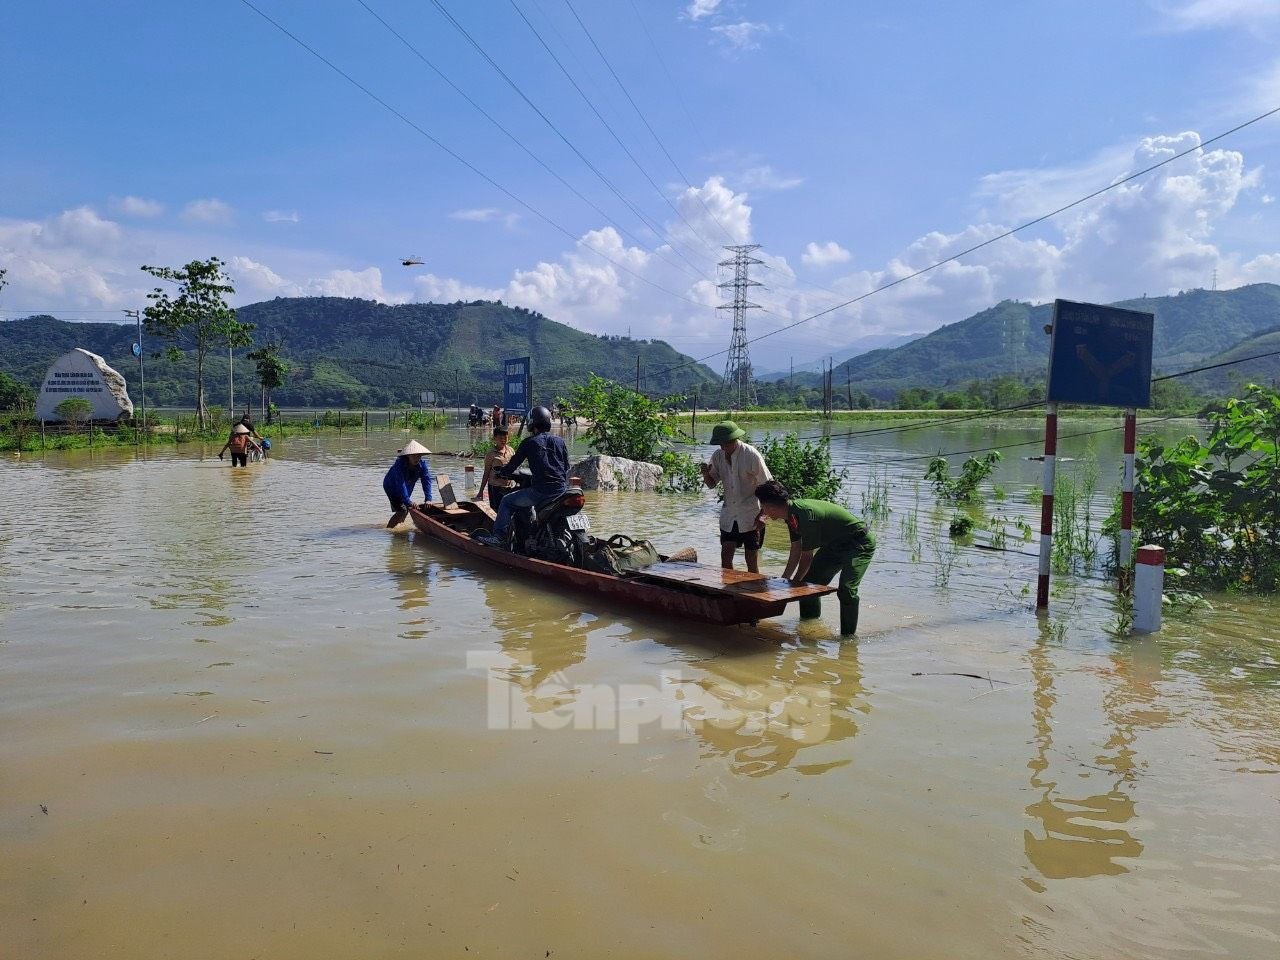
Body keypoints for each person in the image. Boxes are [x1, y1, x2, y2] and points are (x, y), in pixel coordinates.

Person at [754, 479, 875, 636]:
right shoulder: (791, 516)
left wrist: (793, 585)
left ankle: (847, 639)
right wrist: (784, 580)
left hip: (859, 543)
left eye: (762, 507)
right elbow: (796, 549)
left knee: (846, 590)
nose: (762, 511)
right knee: (808, 587)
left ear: (769, 506)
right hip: (834, 545)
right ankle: (809, 627)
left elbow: (806, 557)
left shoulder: (805, 514)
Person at [475, 405, 568, 547]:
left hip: (541, 491)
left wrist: (502, 472)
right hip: (562, 491)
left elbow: (512, 465)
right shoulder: (560, 441)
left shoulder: (529, 442)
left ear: (531, 423)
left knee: (506, 501)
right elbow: (566, 467)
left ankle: (499, 537)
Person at [700, 420, 772, 573]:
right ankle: (729, 593)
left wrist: (763, 515)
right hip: (729, 514)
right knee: (726, 557)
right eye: (719, 444)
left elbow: (769, 486)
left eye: (724, 443)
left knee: (751, 561)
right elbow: (712, 484)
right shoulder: (718, 455)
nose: (722, 447)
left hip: (751, 514)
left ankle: (752, 593)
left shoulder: (750, 454)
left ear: (733, 440)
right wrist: (706, 474)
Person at [383, 439, 433, 527]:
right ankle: (389, 530)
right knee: (402, 510)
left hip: (408, 484)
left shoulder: (422, 465)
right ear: (408, 456)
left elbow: (426, 481)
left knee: (406, 508)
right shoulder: (400, 465)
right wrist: (409, 501)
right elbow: (400, 484)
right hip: (391, 486)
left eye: (418, 456)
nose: (416, 458)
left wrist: (428, 499)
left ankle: (399, 527)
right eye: (413, 456)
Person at [473, 424, 516, 510]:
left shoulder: (511, 451)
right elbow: (486, 473)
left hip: (508, 486)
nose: (503, 440)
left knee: (509, 509)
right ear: (495, 438)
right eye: (500, 438)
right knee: (496, 510)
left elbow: (515, 469)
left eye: (505, 438)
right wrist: (481, 491)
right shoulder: (490, 454)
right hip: (495, 487)